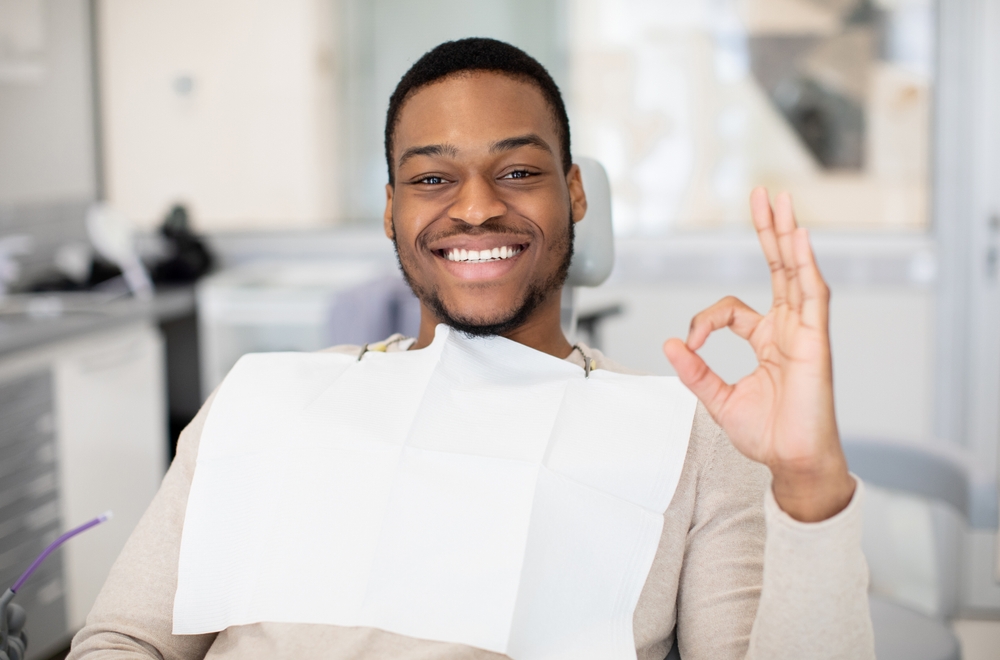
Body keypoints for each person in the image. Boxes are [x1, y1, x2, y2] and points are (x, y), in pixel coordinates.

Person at [68, 38, 874, 659]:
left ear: (576, 193)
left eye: (519, 171)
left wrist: (808, 483)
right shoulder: (262, 403)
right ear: (390, 211)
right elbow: (124, 640)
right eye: (431, 179)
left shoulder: (691, 441)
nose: (478, 208)